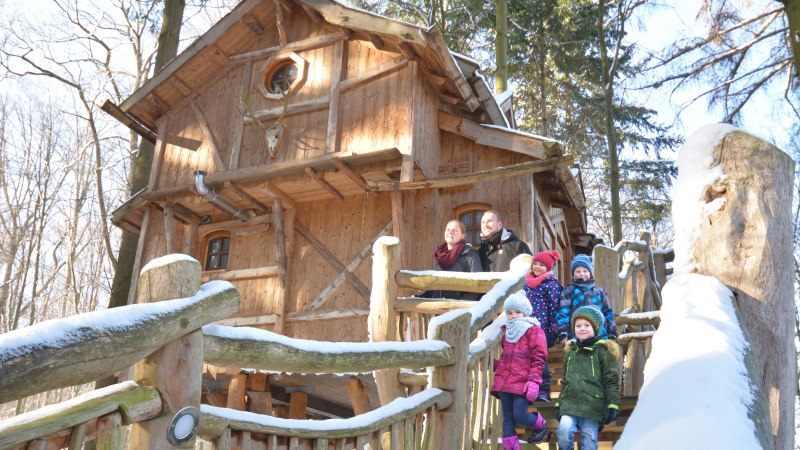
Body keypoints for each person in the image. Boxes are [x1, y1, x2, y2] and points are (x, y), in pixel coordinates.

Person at [554, 305, 620, 450]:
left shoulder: (602, 351)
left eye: (587, 325)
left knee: (589, 440)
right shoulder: (571, 352)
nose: (582, 328)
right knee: (564, 431)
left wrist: (613, 404)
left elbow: (611, 380)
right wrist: (559, 404)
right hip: (570, 403)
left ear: (595, 328)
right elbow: (565, 381)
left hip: (593, 405)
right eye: (578, 325)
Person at [491, 292, 550, 449]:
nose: (513, 316)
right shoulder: (507, 333)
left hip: (522, 382)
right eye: (509, 313)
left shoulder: (534, 331)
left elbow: (539, 358)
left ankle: (540, 424)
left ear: (525, 312)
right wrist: (495, 365)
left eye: (518, 312)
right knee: (508, 418)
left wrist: (534, 382)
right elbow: (508, 358)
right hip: (505, 382)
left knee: (520, 415)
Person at [523, 250, 562, 402]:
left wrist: (553, 330)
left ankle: (544, 391)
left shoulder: (551, 285)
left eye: (542, 265)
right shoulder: (527, 284)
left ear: (548, 268)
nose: (538, 267)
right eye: (536, 264)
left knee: (540, 360)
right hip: (527, 329)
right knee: (528, 359)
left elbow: (555, 308)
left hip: (543, 330)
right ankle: (530, 390)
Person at [555, 254, 617, 343]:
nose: (582, 274)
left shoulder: (599, 292)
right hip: (577, 336)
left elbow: (608, 312)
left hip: (600, 335)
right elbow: (563, 312)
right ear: (573, 275)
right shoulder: (568, 291)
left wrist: (612, 332)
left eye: (585, 271)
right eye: (578, 271)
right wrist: (563, 332)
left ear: (590, 273)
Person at [421, 219, 483, 300]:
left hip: (458, 309)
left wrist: (460, 304)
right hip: (438, 308)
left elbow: (478, 284)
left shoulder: (470, 254)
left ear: (462, 236)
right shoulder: (439, 255)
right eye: (448, 230)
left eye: (455, 230)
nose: (450, 232)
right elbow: (436, 285)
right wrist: (420, 297)